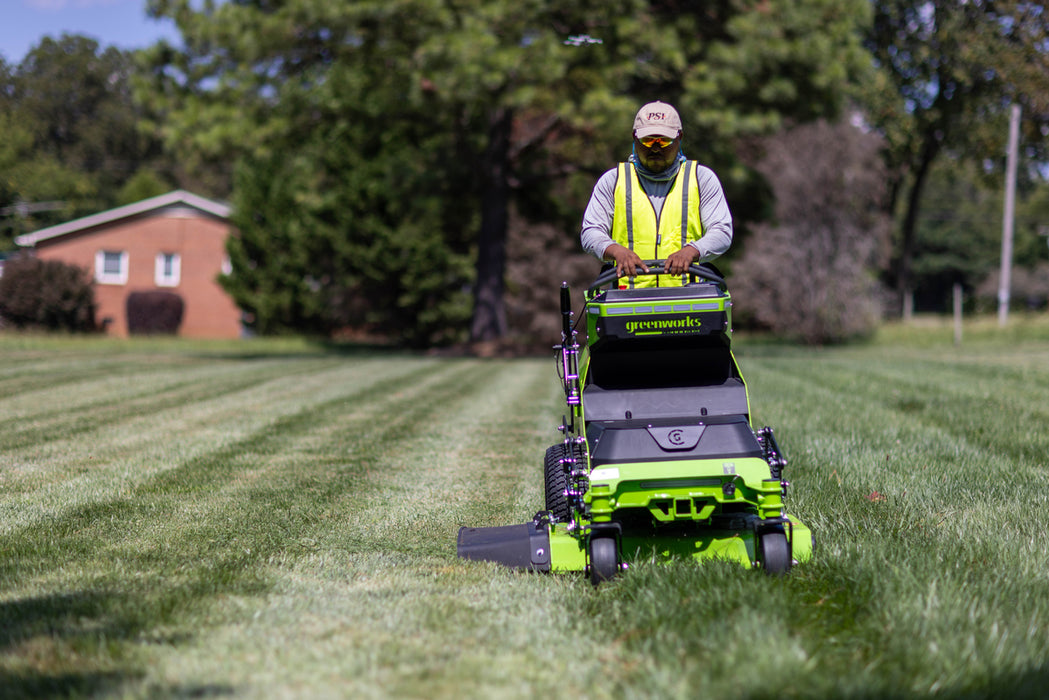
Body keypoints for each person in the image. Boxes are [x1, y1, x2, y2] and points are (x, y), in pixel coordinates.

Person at [580, 101, 733, 287]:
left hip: (689, 300)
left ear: (679, 137)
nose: (655, 147)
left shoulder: (702, 178)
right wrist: (616, 251)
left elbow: (722, 231)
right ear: (634, 138)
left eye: (664, 140)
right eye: (648, 140)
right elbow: (590, 232)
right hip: (627, 302)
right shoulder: (612, 181)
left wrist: (692, 251)